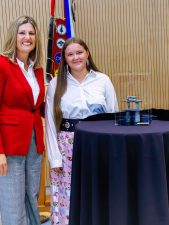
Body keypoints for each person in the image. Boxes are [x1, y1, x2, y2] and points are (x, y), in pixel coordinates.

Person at [45, 37, 119, 225]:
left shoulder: (102, 80)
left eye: (79, 52)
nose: (75, 57)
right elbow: (51, 124)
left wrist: (113, 150)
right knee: (68, 193)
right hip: (67, 147)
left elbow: (113, 117)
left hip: (98, 144)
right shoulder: (56, 84)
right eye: (70, 54)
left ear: (87, 53)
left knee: (98, 189)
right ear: (65, 59)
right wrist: (55, 158)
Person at [0, 16, 45, 225]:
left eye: (31, 33)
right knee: (12, 201)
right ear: (13, 36)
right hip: (10, 146)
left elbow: (38, 107)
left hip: (35, 143)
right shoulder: (2, 65)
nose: (27, 37)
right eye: (22, 33)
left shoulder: (36, 70)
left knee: (32, 196)